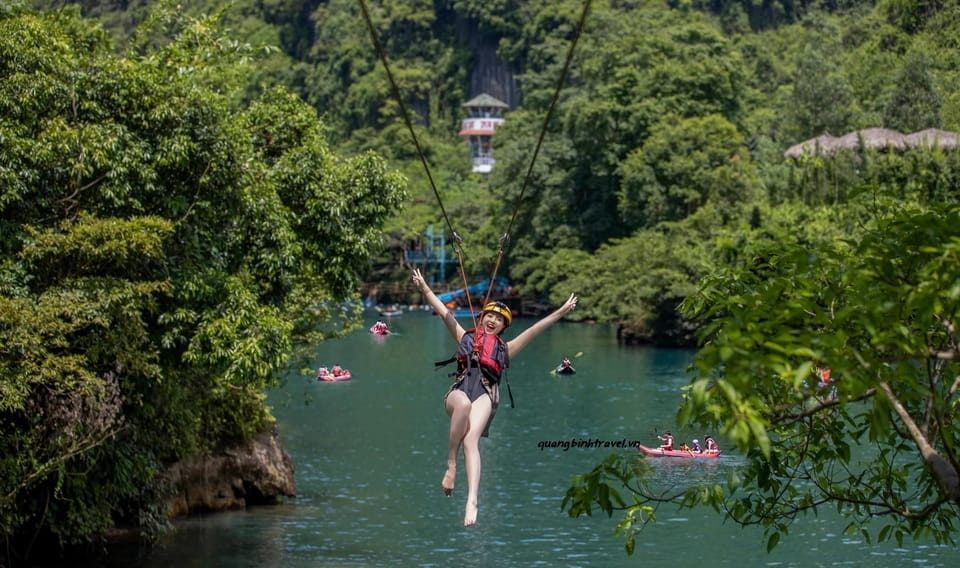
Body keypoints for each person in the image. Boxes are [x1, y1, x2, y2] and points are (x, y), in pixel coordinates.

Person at [412, 267, 578, 526]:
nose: (492, 320)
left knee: (472, 442)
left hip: (485, 394)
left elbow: (536, 328)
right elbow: (445, 313)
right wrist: (424, 288)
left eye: (498, 319)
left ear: (503, 326)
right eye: (489, 315)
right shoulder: (465, 336)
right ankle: (451, 466)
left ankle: (472, 500)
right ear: (481, 318)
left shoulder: (506, 348)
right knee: (463, 405)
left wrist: (561, 311)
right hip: (460, 391)